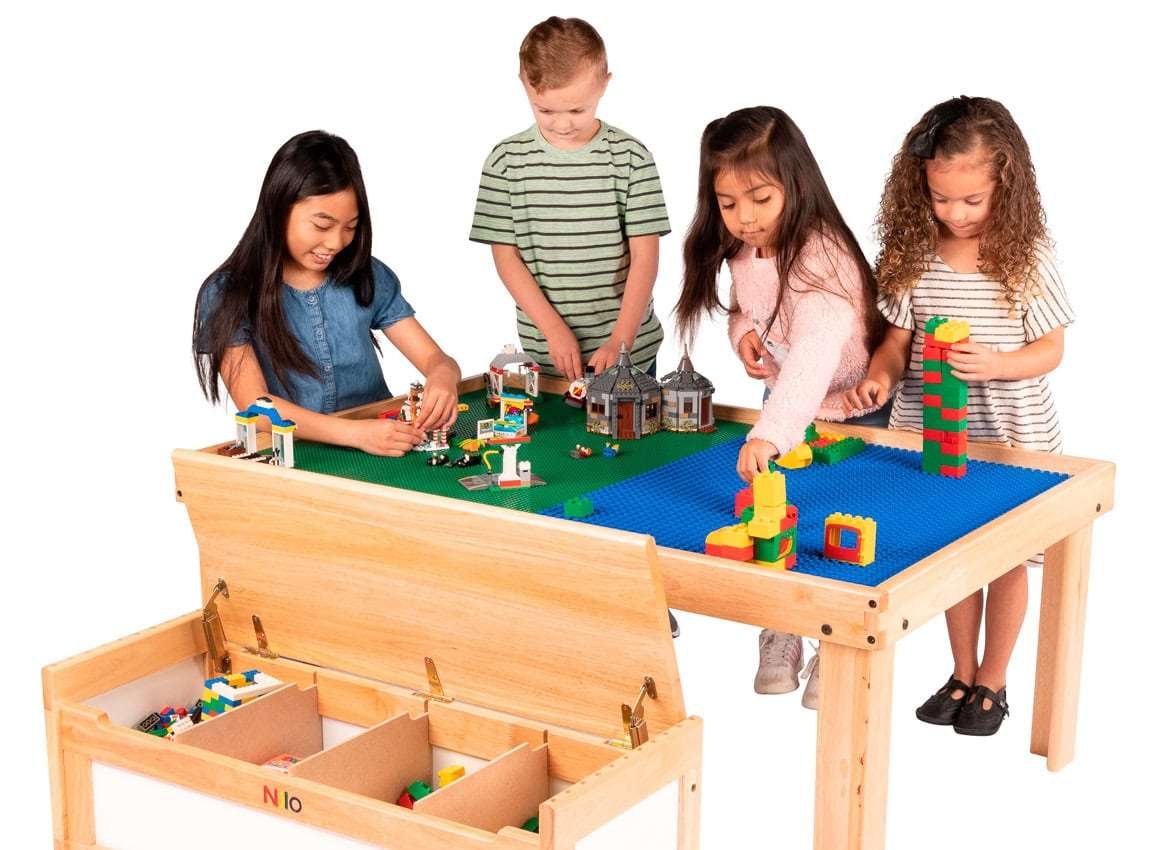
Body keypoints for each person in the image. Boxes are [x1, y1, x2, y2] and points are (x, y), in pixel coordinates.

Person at [845, 97, 1073, 735]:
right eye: (942, 199)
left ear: (1007, 183)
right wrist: (879, 376)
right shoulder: (913, 253)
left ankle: (994, 682)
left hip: (1010, 432)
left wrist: (998, 364)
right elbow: (895, 339)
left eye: (973, 200)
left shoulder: (1025, 257)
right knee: (953, 551)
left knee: (1004, 557)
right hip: (935, 432)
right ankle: (961, 671)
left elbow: (1051, 348)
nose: (956, 214)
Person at [676, 106, 886, 707]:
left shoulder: (821, 254)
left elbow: (818, 349)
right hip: (787, 404)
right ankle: (783, 628)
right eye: (728, 203)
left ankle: (836, 645)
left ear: (795, 186)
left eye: (760, 200)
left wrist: (770, 433)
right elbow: (753, 306)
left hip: (850, 409)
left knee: (845, 528)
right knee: (778, 522)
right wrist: (742, 331)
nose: (744, 219)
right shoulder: (747, 251)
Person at [194, 130, 460, 455]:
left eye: (350, 227)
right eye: (322, 225)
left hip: (384, 448)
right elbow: (257, 407)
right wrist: (357, 435)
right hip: (297, 457)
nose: (336, 243)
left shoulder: (367, 275)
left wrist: (444, 376)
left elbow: (434, 358)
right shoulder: (228, 292)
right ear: (278, 209)